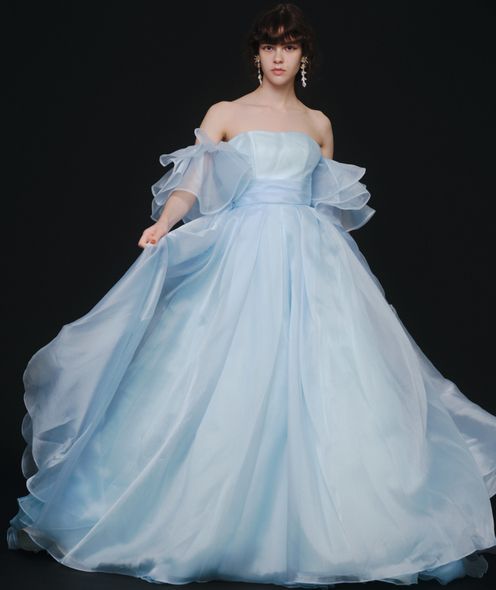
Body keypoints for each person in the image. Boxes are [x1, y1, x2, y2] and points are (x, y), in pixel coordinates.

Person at [7, 3, 496, 588]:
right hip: (241, 256)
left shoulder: (318, 124)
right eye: (269, 45)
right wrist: (165, 222)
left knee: (330, 381)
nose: (278, 56)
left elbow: (327, 207)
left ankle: (337, 526)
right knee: (223, 372)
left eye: (289, 46)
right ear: (256, 54)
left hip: (312, 260)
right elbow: (193, 183)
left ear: (304, 55)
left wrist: (351, 280)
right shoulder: (226, 113)